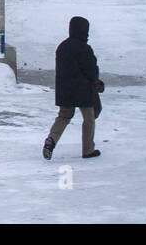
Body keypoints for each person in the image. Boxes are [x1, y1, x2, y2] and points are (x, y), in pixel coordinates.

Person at [43, 16, 105, 160]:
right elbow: (91, 70)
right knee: (89, 119)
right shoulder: (84, 48)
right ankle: (88, 150)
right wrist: (96, 82)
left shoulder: (62, 47)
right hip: (83, 90)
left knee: (64, 116)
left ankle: (51, 140)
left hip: (65, 90)